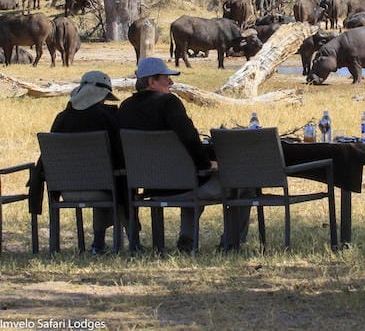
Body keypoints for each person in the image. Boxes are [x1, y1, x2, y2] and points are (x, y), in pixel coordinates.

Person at [116, 57, 247, 252]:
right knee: (244, 182)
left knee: (189, 176)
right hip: (184, 186)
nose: (171, 82)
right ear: (152, 81)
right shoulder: (169, 102)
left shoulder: (125, 107)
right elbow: (189, 138)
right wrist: (205, 164)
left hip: (151, 187)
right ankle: (230, 243)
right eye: (166, 79)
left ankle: (188, 239)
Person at [31, 70, 132, 254]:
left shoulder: (62, 118)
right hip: (103, 188)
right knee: (118, 182)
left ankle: (98, 245)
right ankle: (125, 240)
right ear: (103, 96)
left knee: (108, 181)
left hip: (66, 191)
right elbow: (120, 156)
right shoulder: (107, 118)